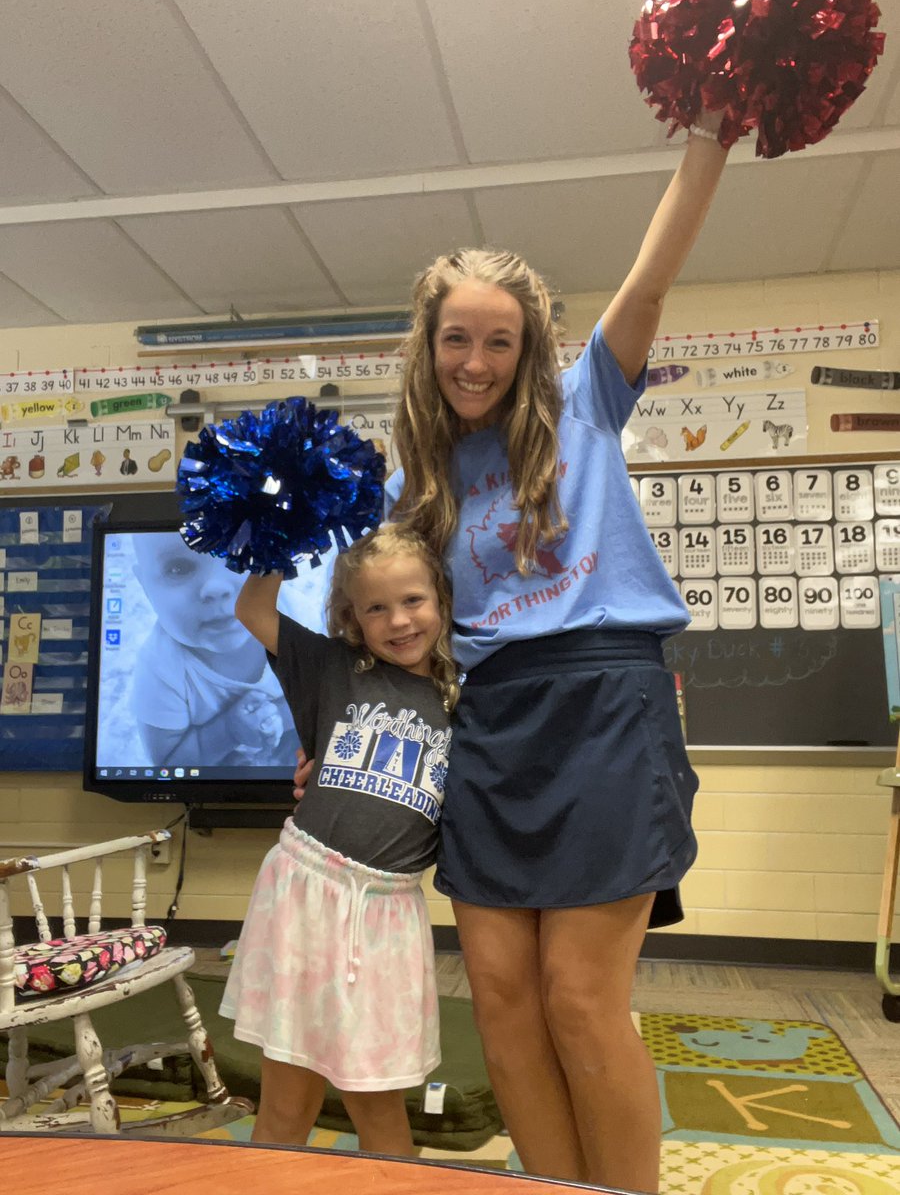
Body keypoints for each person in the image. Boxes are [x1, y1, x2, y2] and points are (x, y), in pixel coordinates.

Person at [295, 109, 728, 1190]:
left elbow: (651, 278)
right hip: (487, 730)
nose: (477, 360)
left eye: (499, 338)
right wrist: (331, 742)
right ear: (428, 346)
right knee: (500, 997)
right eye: (457, 338)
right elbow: (389, 634)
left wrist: (710, 140)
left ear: (529, 343)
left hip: (604, 711)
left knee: (583, 999)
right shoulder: (421, 483)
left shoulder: (586, 398)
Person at [221, 524, 458, 1155]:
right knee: (284, 1106)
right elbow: (251, 609)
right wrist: (280, 523)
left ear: (442, 598)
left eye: (413, 600)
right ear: (350, 616)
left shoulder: (469, 695)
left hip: (385, 918)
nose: (399, 621)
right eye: (375, 607)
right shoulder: (331, 667)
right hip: (301, 895)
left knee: (380, 1111)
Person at [131, 532, 296, 768]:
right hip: (214, 774)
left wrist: (274, 717)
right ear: (145, 586)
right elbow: (166, 763)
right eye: (179, 568)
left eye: (242, 558)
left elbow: (329, 702)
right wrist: (227, 731)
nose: (215, 587)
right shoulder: (159, 668)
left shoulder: (296, 619)